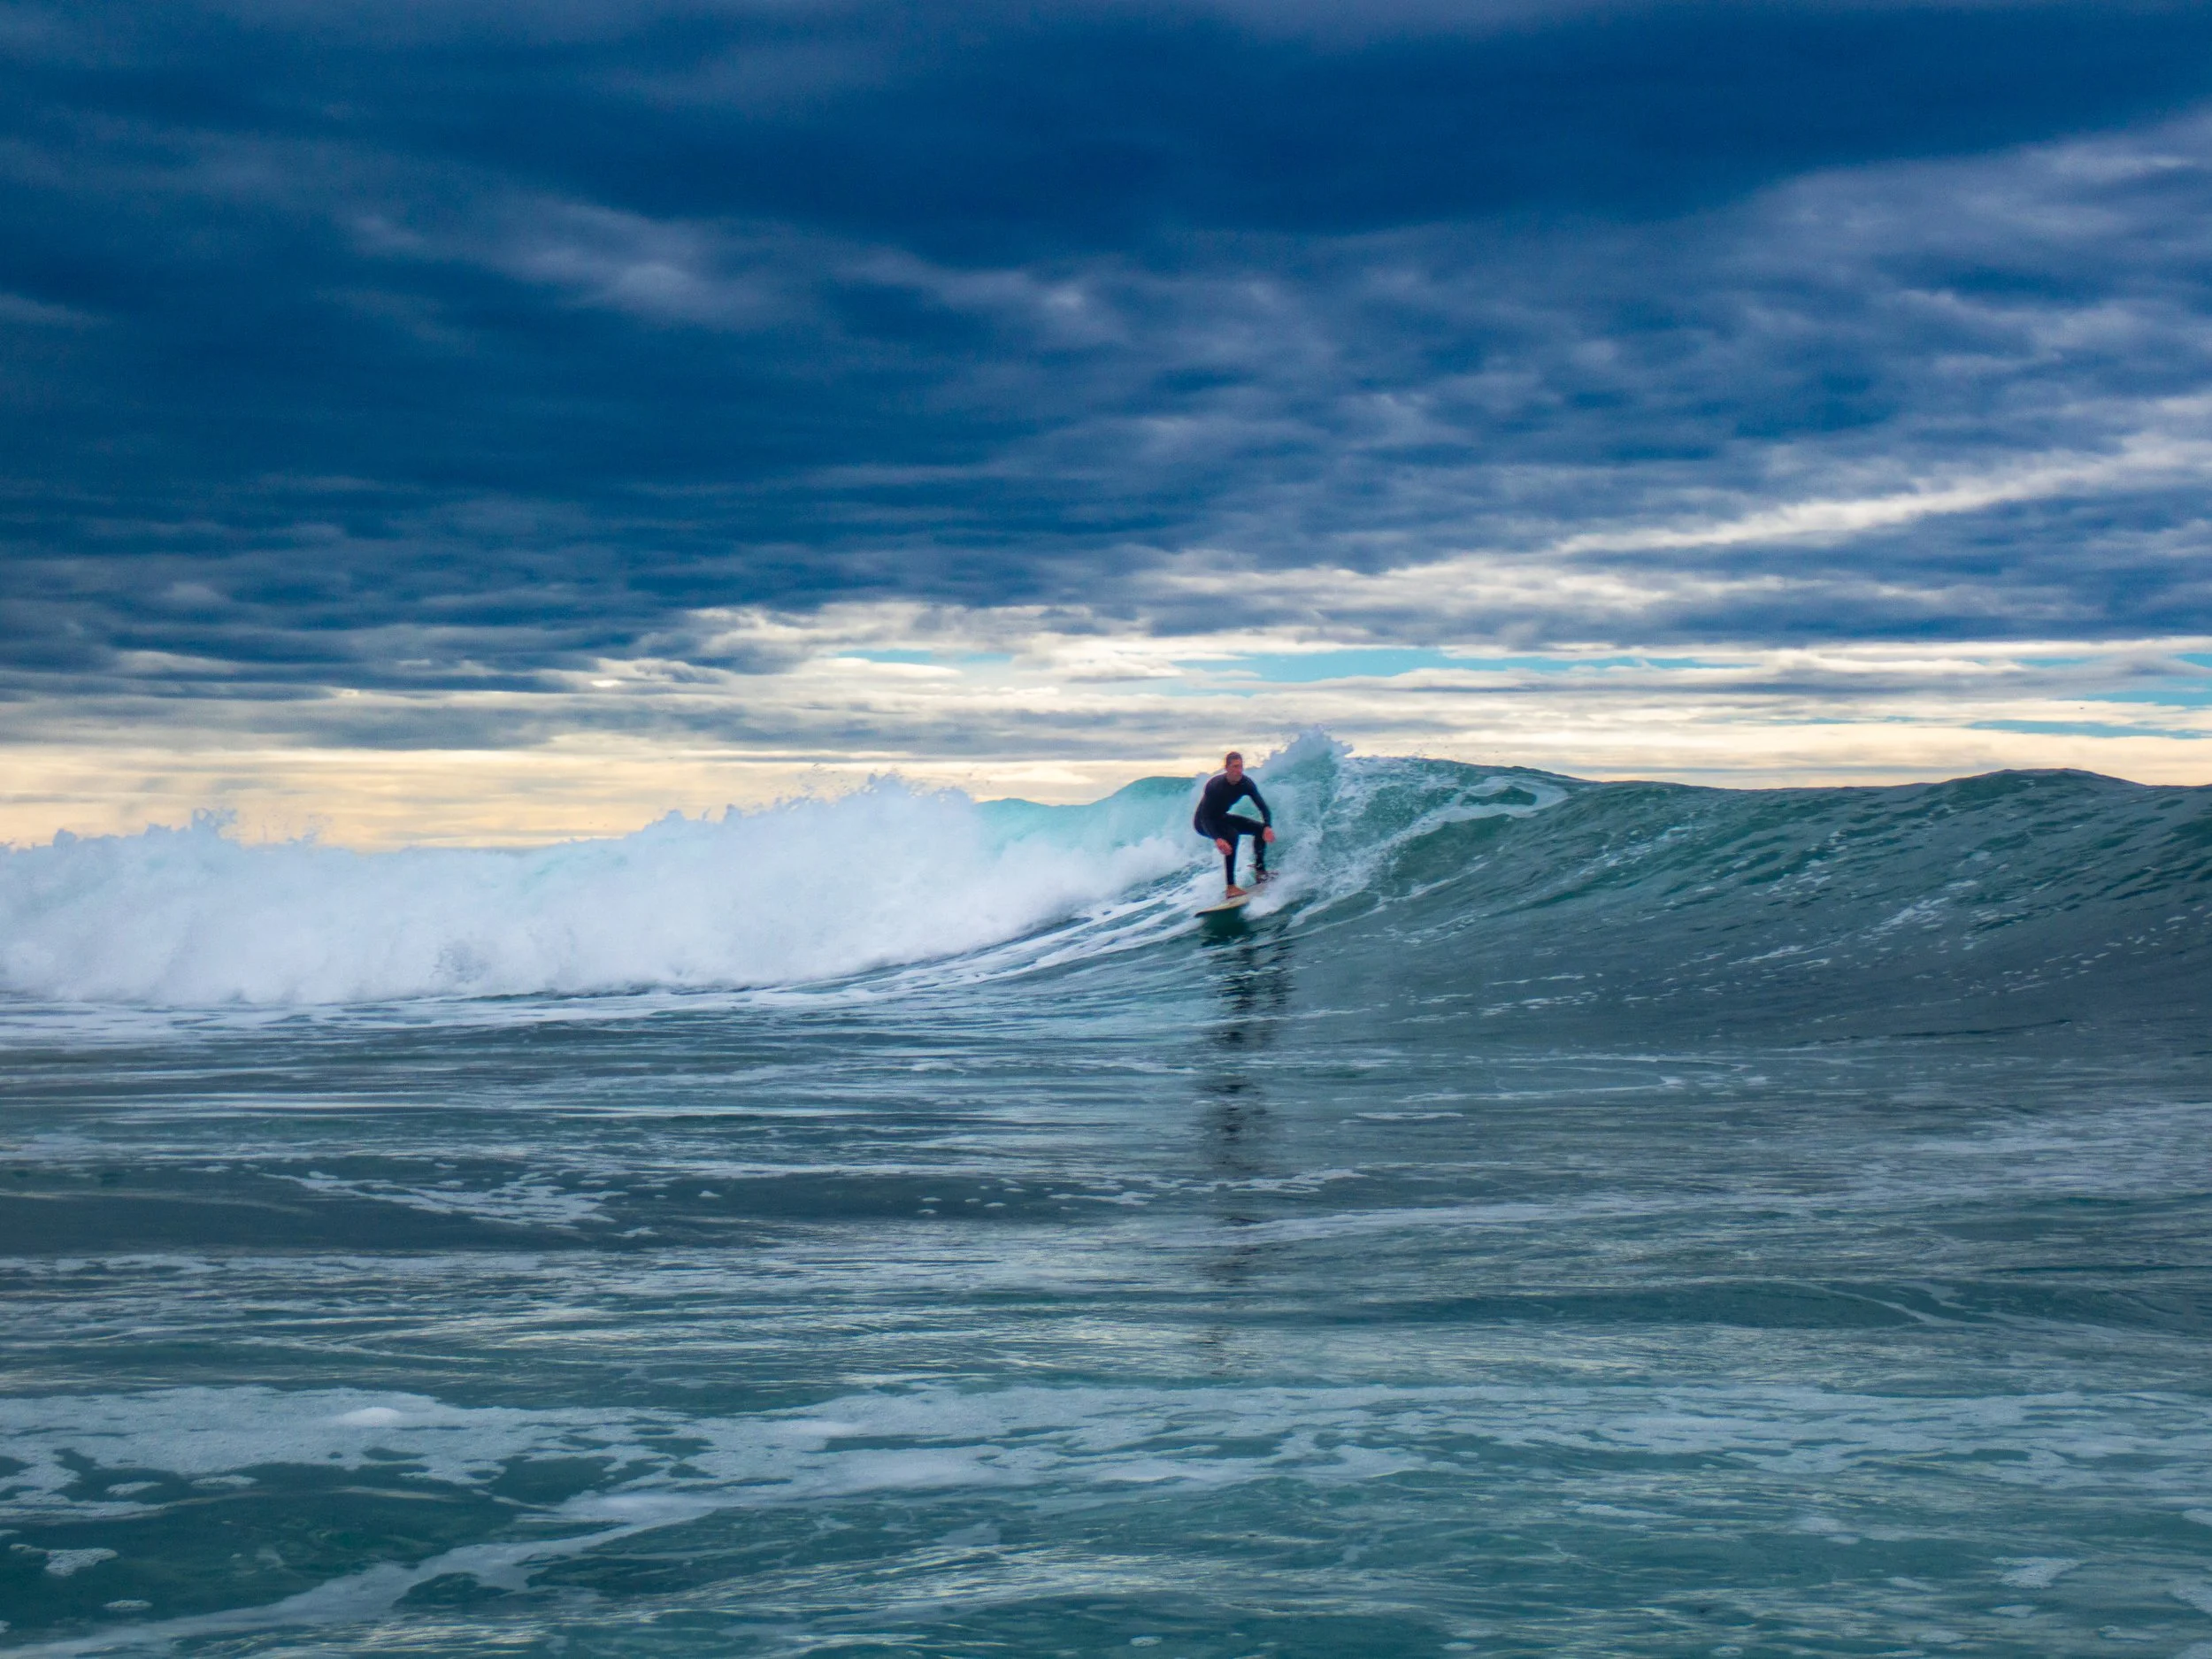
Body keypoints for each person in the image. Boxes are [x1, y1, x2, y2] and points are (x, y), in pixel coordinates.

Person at [1193, 750, 1275, 895]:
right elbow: (1205, 817)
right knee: (1232, 835)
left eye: (1241, 767)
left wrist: (1268, 826)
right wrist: (1218, 838)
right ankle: (1231, 887)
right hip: (1203, 823)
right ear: (1227, 768)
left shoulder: (1246, 784)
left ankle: (1260, 871)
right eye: (1235, 767)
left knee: (1260, 829)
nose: (1239, 771)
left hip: (1222, 817)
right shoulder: (1215, 785)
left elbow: (1263, 807)